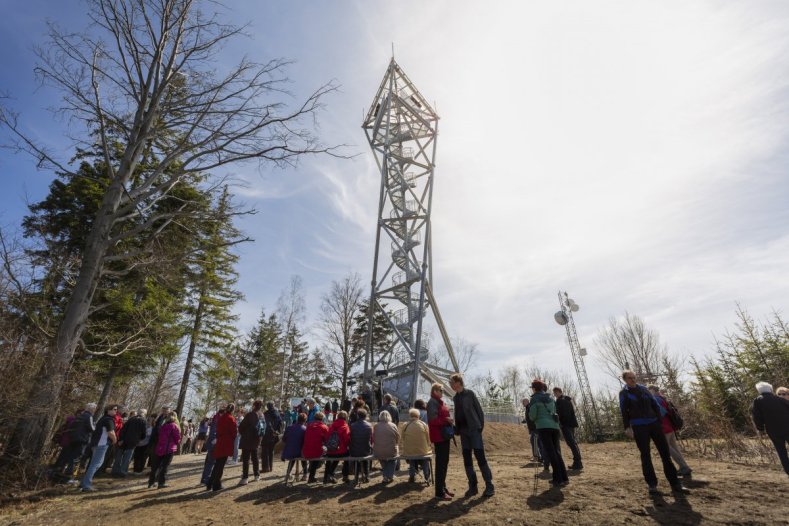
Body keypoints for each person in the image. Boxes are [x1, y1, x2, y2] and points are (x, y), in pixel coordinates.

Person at [619, 370, 686, 494]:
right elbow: (623, 411)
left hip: (654, 424)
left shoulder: (644, 389)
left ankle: (675, 484)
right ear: (625, 380)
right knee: (646, 455)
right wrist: (627, 427)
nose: (633, 380)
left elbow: (655, 405)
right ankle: (652, 485)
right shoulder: (623, 393)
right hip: (639, 427)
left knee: (665, 454)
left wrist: (659, 422)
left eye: (634, 377)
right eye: (630, 378)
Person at [451, 373, 494, 498]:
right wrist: (456, 428)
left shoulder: (470, 393)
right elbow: (458, 414)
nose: (451, 385)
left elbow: (479, 410)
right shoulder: (455, 398)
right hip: (464, 432)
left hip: (474, 430)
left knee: (480, 457)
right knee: (467, 459)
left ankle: (489, 485)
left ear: (459, 382)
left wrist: (480, 426)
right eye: (451, 383)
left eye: (453, 382)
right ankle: (473, 486)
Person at [530, 380, 569, 487]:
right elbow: (553, 410)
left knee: (551, 453)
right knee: (556, 451)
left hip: (543, 427)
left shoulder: (534, 399)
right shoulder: (550, 397)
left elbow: (532, 416)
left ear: (534, 388)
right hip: (555, 427)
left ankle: (558, 479)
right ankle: (564, 477)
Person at [648, 385, 692, 477]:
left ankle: (684, 467)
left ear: (652, 390)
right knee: (675, 448)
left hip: (663, 427)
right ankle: (684, 466)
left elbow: (661, 412)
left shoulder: (656, 399)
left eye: (649, 390)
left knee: (668, 449)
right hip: (670, 427)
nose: (648, 392)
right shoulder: (663, 398)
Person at [751, 381, 789, 476]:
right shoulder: (779, 399)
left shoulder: (757, 401)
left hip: (773, 431)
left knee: (781, 451)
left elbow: (756, 417)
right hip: (787, 427)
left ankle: (788, 470)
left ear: (759, 391)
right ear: (770, 389)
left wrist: (760, 429)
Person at [53, 403, 96, 483]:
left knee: (71, 456)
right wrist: (94, 426)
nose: (94, 411)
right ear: (92, 409)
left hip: (73, 439)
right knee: (76, 458)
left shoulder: (79, 416)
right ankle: (69, 477)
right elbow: (92, 428)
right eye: (94, 409)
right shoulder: (89, 416)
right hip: (82, 440)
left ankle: (63, 474)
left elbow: (72, 427)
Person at [79, 405, 118, 492]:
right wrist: (115, 440)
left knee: (95, 464)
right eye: (114, 409)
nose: (116, 411)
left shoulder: (103, 418)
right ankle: (86, 485)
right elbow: (110, 432)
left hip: (96, 443)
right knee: (95, 464)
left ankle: (84, 482)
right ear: (108, 410)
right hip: (102, 444)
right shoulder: (109, 419)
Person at [427, 382, 454, 500]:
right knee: (441, 464)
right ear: (435, 391)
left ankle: (442, 487)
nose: (442, 392)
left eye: (442, 390)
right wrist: (446, 420)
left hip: (444, 436)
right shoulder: (432, 402)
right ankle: (439, 492)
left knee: (444, 462)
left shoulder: (438, 402)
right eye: (441, 390)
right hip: (439, 436)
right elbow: (433, 420)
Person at [207, 403, 237, 491]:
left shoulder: (221, 417)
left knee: (217, 464)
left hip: (220, 441)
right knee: (220, 465)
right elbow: (234, 431)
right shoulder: (231, 418)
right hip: (226, 442)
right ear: (232, 410)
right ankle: (216, 485)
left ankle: (210, 483)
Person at [553, 387, 583, 470]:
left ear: (559, 392)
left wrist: (561, 423)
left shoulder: (561, 401)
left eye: (556, 392)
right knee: (573, 443)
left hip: (566, 424)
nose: (555, 394)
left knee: (572, 443)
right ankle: (578, 462)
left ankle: (578, 462)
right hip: (570, 424)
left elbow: (564, 414)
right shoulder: (566, 400)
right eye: (554, 393)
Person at [148, 411, 180, 489]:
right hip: (169, 449)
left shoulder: (163, 425)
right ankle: (161, 483)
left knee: (155, 466)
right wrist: (176, 442)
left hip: (160, 447)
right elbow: (177, 438)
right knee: (165, 466)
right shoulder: (175, 426)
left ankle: (151, 482)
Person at [112, 409, 146, 477]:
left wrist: (121, 439)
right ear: (144, 414)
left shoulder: (131, 419)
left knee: (119, 455)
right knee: (127, 457)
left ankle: (115, 471)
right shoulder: (143, 421)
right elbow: (143, 432)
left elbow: (123, 429)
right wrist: (141, 438)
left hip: (124, 439)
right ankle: (123, 472)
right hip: (133, 441)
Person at [403, 408, 432, 484]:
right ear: (418, 416)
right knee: (425, 459)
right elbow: (428, 439)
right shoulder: (424, 424)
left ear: (410, 416)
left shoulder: (405, 425)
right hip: (422, 451)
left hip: (409, 451)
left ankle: (412, 475)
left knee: (412, 457)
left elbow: (403, 438)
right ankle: (427, 476)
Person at [238, 400, 263, 485]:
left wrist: (244, 434)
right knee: (255, 458)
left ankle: (245, 478)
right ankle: (257, 475)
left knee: (246, 459)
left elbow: (241, 427)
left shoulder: (249, 415)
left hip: (247, 440)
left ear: (254, 406)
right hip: (257, 440)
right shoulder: (261, 415)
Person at [323, 410, 351, 483]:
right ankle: (345, 476)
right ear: (346, 418)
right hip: (340, 450)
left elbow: (327, 437)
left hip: (330, 450)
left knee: (333, 457)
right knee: (347, 455)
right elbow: (347, 440)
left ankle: (328, 475)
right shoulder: (345, 426)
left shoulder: (332, 426)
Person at [373, 410, 400, 483]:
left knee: (382, 459)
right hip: (391, 451)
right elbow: (397, 438)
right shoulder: (393, 425)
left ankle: (385, 476)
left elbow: (373, 438)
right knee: (393, 459)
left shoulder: (376, 426)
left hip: (378, 451)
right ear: (389, 417)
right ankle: (390, 475)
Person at [302, 412, 329, 483]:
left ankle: (311, 476)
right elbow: (327, 440)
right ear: (322, 419)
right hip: (316, 452)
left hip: (306, 451)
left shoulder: (308, 426)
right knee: (326, 454)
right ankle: (327, 477)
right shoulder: (324, 427)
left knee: (316, 451)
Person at [349, 408, 373, 484]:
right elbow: (371, 439)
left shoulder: (352, 425)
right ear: (365, 416)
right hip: (366, 450)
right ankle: (367, 476)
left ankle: (356, 477)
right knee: (366, 458)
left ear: (358, 416)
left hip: (354, 450)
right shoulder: (369, 425)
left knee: (357, 458)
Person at [200, 407, 223, 486]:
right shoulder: (218, 419)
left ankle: (204, 480)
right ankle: (206, 480)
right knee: (212, 463)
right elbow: (214, 431)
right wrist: (215, 440)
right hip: (214, 443)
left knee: (209, 462)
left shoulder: (214, 417)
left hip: (211, 443)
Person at [282, 412, 308, 482]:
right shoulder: (305, 429)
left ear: (297, 419)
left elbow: (283, 439)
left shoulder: (289, 427)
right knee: (303, 455)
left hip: (288, 451)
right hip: (299, 452)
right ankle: (305, 474)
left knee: (292, 458)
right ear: (305, 420)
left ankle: (288, 473)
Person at [261, 401, 283, 473]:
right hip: (274, 435)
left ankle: (265, 468)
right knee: (271, 451)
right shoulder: (277, 413)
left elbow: (264, 425)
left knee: (265, 451)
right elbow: (280, 424)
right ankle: (271, 467)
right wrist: (277, 432)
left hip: (267, 435)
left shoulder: (265, 414)